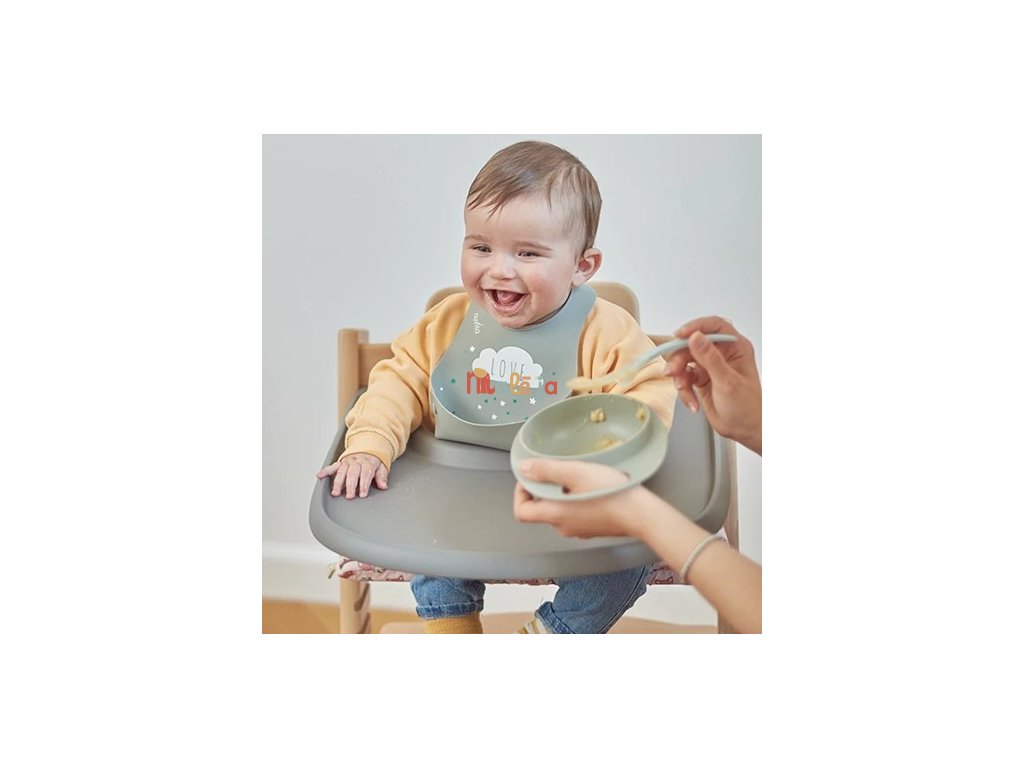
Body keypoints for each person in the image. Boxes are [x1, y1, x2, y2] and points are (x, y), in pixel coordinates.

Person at [316, 141, 678, 634]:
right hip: (459, 496)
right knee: (428, 543)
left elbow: (647, 395)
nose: (500, 269)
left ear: (582, 265)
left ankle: (554, 630)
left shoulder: (606, 333)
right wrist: (369, 445)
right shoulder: (446, 324)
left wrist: (608, 464)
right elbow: (397, 381)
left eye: (527, 252)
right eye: (481, 247)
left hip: (564, 502)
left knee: (627, 560)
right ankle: (454, 629)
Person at [513, 317, 763, 633]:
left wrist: (638, 514)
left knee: (620, 572)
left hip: (615, 510)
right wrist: (757, 424)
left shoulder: (610, 332)